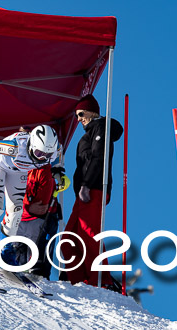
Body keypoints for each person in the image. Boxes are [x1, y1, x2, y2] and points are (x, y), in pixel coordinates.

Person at [0, 124, 62, 270]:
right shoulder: (15, 147)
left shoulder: (53, 150)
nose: (43, 158)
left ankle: (6, 250)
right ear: (32, 144)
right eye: (39, 153)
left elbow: (58, 152)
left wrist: (58, 171)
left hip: (18, 172)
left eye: (47, 155)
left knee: (16, 212)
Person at [60, 94, 123, 287]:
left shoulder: (101, 127)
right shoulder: (87, 135)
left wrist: (86, 185)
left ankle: (100, 280)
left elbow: (98, 158)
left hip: (93, 189)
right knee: (67, 239)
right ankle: (79, 280)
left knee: (89, 235)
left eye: (81, 114)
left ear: (91, 111)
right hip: (82, 194)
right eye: (77, 115)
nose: (78, 119)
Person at [4, 163, 69, 278]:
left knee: (38, 262)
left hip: (40, 220)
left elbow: (40, 208)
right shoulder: (14, 166)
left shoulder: (43, 170)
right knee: (19, 254)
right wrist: (27, 206)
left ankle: (38, 274)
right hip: (20, 219)